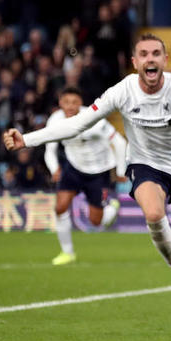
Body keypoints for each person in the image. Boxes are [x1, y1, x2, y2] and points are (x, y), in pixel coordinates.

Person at [3, 33, 171, 316]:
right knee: (154, 215)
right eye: (144, 54)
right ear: (135, 62)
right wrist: (27, 139)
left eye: (156, 53)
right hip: (145, 163)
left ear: (164, 60)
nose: (150, 59)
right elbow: (77, 124)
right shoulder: (121, 92)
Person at [43, 86, 127, 265]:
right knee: (60, 207)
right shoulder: (55, 120)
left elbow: (119, 142)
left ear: (80, 103)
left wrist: (120, 171)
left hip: (99, 171)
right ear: (60, 103)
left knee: (96, 222)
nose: (70, 106)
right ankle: (67, 253)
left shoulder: (94, 118)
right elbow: (49, 149)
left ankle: (111, 208)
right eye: (66, 102)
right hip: (73, 168)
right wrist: (54, 169)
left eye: (74, 102)